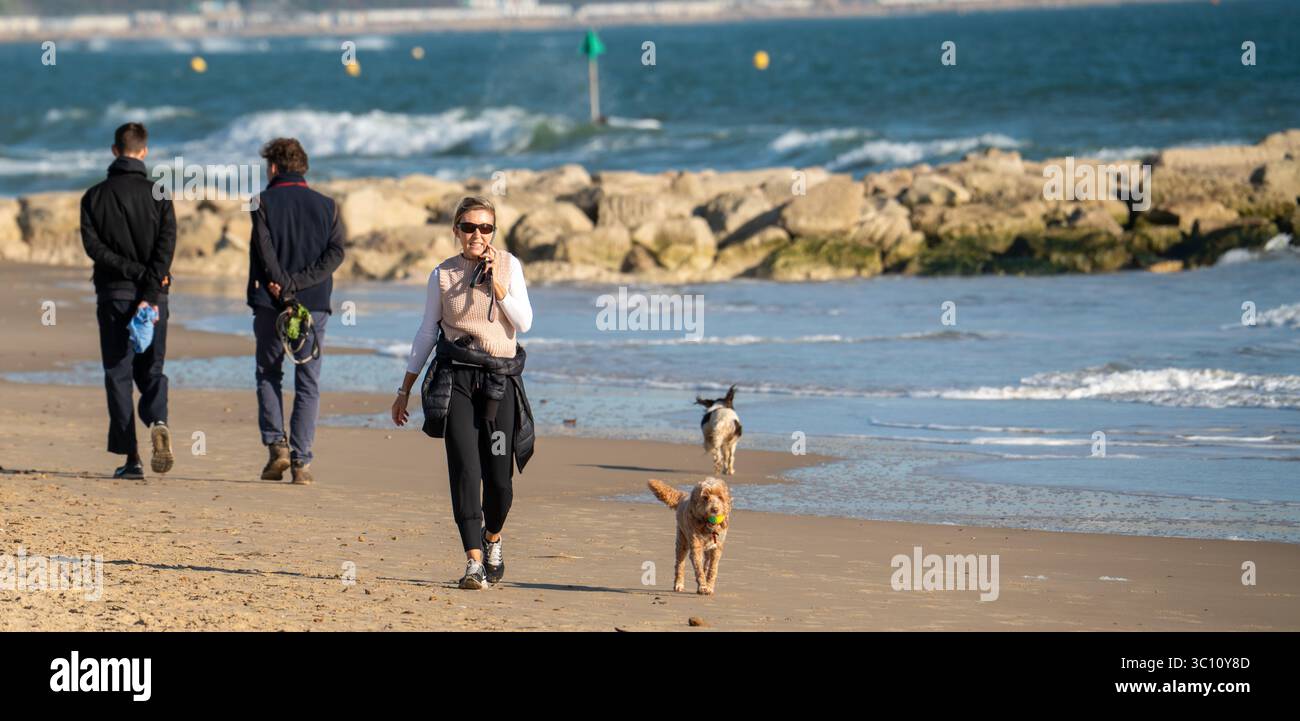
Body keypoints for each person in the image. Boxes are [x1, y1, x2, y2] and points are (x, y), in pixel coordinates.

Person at [392, 196, 535, 589]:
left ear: (493, 231)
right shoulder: (442, 274)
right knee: (465, 472)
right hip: (456, 380)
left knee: (500, 481)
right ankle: (473, 562)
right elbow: (426, 331)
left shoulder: (509, 266)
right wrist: (405, 387)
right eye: (468, 227)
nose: (477, 235)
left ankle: (493, 538)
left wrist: (498, 287)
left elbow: (524, 321)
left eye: (485, 228)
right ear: (456, 230)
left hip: (499, 381)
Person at [79, 122, 176, 480]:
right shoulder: (160, 195)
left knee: (118, 374)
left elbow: (94, 249)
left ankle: (132, 458)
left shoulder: (93, 197)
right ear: (144, 152)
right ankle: (159, 419)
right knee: (152, 369)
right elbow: (166, 249)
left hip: (114, 296)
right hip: (155, 298)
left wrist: (131, 273)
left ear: (114, 150)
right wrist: (150, 287)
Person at [246, 138, 344, 485]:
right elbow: (335, 255)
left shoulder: (261, 202)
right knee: (309, 382)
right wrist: (299, 284)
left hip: (270, 302)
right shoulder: (328, 206)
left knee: (268, 374)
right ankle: (302, 462)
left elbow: (264, 249)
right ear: (302, 167)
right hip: (314, 303)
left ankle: (277, 447)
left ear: (273, 167)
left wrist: (283, 285)